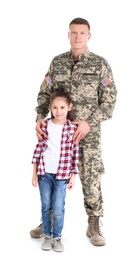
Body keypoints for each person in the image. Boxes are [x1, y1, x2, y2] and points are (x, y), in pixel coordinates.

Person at [30, 17, 117, 246]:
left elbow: (109, 102)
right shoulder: (57, 63)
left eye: (82, 33)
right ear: (68, 35)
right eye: (73, 32)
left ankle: (94, 222)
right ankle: (47, 222)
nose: (77, 36)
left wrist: (89, 121)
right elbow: (43, 94)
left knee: (90, 176)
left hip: (86, 134)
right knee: (50, 175)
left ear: (89, 36)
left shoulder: (100, 65)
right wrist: (40, 117)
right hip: (57, 134)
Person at [31, 88, 79, 252]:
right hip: (44, 174)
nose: (58, 111)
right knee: (46, 206)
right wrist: (34, 173)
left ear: (69, 107)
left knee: (58, 207)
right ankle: (46, 235)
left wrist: (73, 176)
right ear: (50, 108)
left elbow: (74, 154)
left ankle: (57, 237)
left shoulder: (72, 128)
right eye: (55, 108)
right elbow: (38, 150)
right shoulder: (45, 126)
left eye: (62, 107)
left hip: (62, 175)